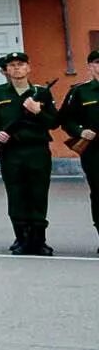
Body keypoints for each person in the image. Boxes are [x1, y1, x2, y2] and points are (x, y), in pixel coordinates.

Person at [0, 52, 60, 256]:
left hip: (37, 150)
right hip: (11, 152)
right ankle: (22, 238)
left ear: (28, 68)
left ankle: (39, 240)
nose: (16, 68)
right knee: (16, 195)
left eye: (21, 64)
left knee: (38, 194)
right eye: (12, 65)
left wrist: (37, 111)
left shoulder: (41, 92)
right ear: (6, 70)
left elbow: (54, 122)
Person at [60, 42, 99, 245]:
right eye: (97, 63)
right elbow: (65, 119)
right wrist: (80, 131)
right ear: (90, 67)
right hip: (94, 151)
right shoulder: (79, 92)